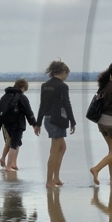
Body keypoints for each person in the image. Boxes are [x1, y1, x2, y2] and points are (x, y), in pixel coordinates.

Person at [35, 60, 76, 188]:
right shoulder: (62, 86)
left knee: (62, 147)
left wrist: (38, 123)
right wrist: (72, 121)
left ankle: (56, 177)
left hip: (47, 120)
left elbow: (42, 105)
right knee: (54, 150)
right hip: (57, 120)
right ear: (63, 72)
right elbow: (67, 104)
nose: (66, 78)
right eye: (66, 75)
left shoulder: (45, 85)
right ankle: (49, 180)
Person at [0, 78, 36, 171]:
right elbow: (28, 112)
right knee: (14, 144)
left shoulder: (5, 96)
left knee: (15, 143)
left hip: (6, 123)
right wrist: (34, 124)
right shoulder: (22, 97)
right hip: (18, 123)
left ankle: (13, 163)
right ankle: (9, 166)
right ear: (23, 87)